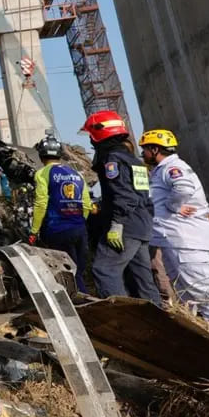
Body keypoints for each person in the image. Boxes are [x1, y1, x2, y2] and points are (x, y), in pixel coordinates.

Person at [139, 129, 209, 325]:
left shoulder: (172, 167)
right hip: (174, 239)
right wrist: (205, 211)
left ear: (155, 149)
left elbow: (184, 188)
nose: (142, 153)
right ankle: (204, 330)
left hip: (185, 240)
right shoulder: (163, 169)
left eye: (144, 149)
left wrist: (173, 206)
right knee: (186, 292)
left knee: (203, 289)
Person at [80, 111, 161, 306]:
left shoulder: (113, 160)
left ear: (99, 133)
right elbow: (140, 195)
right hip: (141, 224)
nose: (90, 140)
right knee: (141, 279)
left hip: (125, 225)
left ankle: (121, 314)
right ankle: (157, 316)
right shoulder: (133, 160)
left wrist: (117, 224)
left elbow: (124, 195)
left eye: (91, 135)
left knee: (104, 270)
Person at [29, 133, 91, 292]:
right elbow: (86, 204)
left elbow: (41, 204)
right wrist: (79, 222)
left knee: (65, 274)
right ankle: (84, 297)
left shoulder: (42, 173)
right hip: (80, 230)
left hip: (56, 230)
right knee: (78, 272)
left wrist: (34, 231)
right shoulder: (76, 174)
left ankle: (76, 301)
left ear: (41, 156)